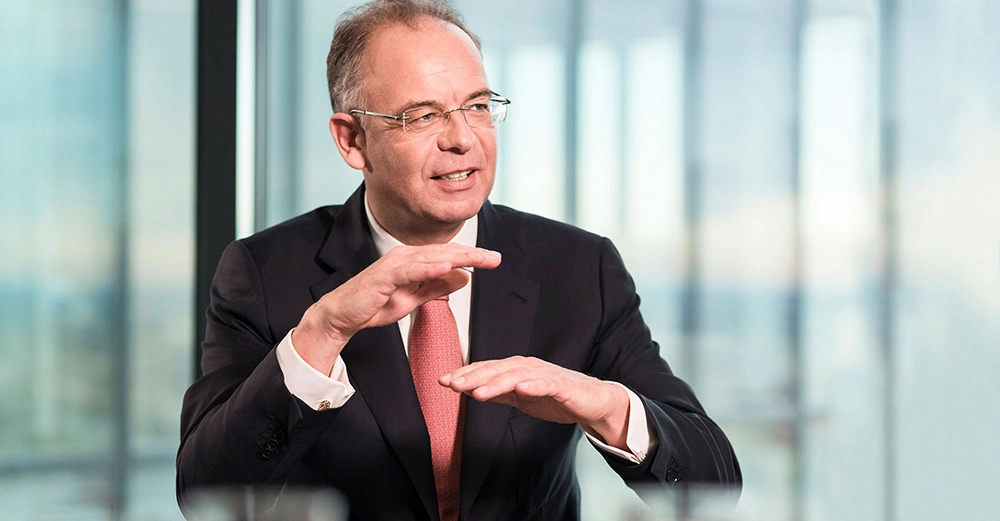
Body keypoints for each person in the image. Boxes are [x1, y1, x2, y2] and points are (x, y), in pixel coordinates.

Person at [176, 1, 740, 520]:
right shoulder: (263, 271)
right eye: (422, 116)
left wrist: (606, 406)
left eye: (477, 106)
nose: (463, 139)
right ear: (353, 141)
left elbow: (715, 480)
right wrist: (321, 334)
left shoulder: (578, 267)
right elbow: (205, 491)